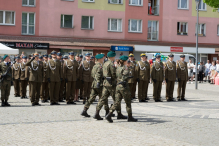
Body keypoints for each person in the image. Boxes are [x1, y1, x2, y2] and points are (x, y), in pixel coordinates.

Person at [105, 55, 138, 123]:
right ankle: (130, 117)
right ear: (125, 61)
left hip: (118, 86)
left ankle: (109, 114)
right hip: (124, 87)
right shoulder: (125, 68)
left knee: (117, 102)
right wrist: (126, 78)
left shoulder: (118, 68)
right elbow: (124, 77)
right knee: (128, 102)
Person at [96, 51, 126, 119]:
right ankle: (119, 114)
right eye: (114, 56)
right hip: (111, 84)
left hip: (105, 83)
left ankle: (97, 113)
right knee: (116, 99)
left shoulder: (105, 63)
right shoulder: (111, 64)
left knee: (103, 98)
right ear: (112, 57)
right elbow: (113, 74)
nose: (114, 57)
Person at [81, 54, 109, 120]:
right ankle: (100, 113)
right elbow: (98, 75)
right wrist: (99, 82)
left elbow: (92, 74)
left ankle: (84, 110)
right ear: (99, 59)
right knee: (103, 98)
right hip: (99, 85)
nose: (103, 59)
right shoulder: (99, 66)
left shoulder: (95, 66)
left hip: (94, 84)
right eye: (102, 58)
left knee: (91, 98)